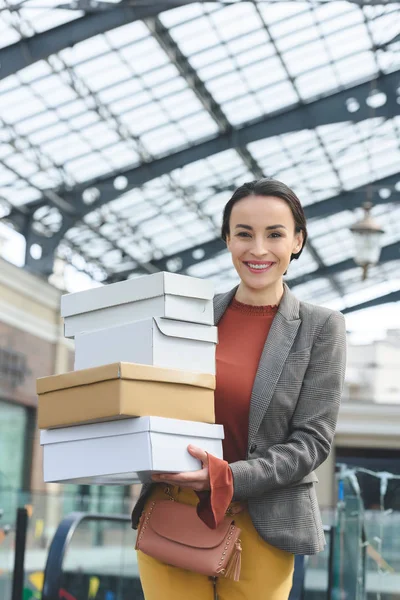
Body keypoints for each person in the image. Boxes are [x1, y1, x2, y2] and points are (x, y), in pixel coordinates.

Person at [131, 178, 347, 600]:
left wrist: (230, 476)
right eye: (244, 234)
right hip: (173, 512)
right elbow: (150, 401)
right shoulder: (186, 318)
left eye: (275, 234)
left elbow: (312, 442)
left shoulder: (322, 328)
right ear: (227, 238)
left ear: (298, 241)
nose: (258, 249)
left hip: (264, 523)